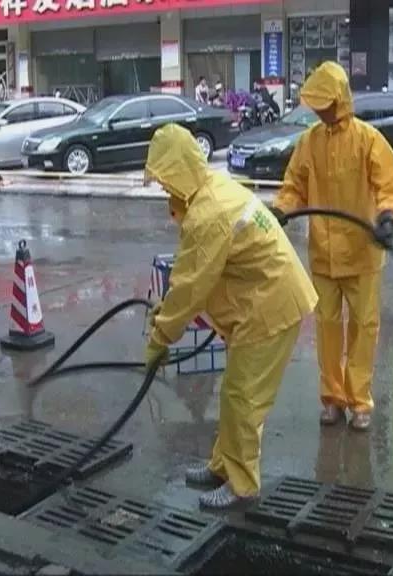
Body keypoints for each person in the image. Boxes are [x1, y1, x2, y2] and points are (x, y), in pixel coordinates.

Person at [144, 124, 318, 509]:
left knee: (243, 398)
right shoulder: (211, 191)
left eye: (164, 180)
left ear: (179, 172)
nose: (162, 189)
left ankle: (242, 486)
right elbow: (195, 274)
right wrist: (167, 310)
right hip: (259, 302)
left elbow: (191, 286)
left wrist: (159, 338)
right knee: (234, 393)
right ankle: (224, 465)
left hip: (269, 307)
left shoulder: (210, 214)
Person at [270, 61, 393, 431]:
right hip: (323, 257)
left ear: (340, 100)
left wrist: (388, 216)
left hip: (362, 254)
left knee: (363, 330)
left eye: (325, 104)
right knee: (328, 331)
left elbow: (389, 187)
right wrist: (282, 210)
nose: (320, 112)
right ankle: (332, 398)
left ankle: (359, 401)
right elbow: (294, 186)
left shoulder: (368, 140)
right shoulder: (309, 142)